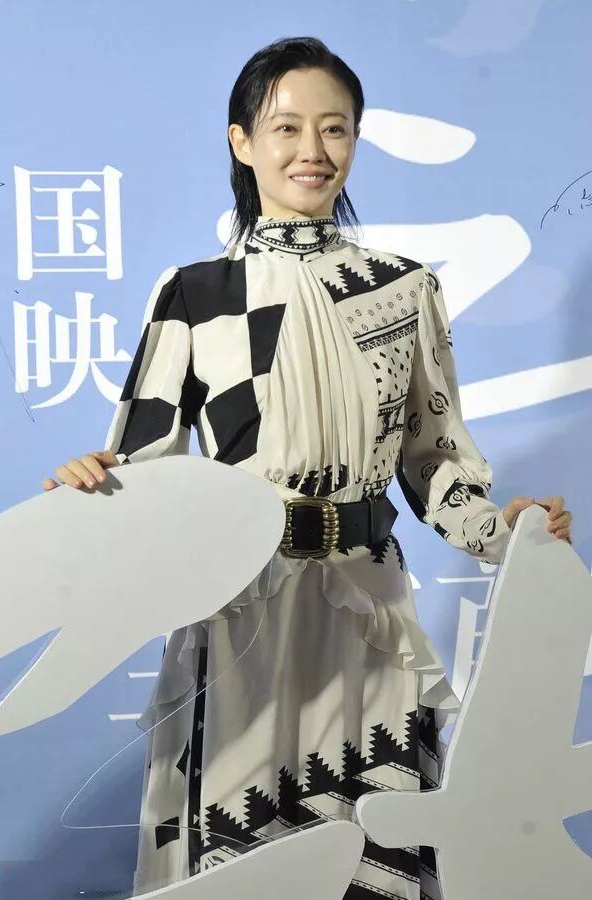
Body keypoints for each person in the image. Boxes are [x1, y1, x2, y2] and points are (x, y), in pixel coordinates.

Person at [42, 36, 573, 900]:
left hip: (369, 611)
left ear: (355, 139)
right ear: (241, 141)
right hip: (239, 616)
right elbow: (146, 471)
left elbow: (434, 461)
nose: (312, 150)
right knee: (246, 860)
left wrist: (502, 529)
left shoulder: (404, 289)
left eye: (334, 128)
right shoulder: (196, 293)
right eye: (285, 127)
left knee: (373, 845)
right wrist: (92, 487)